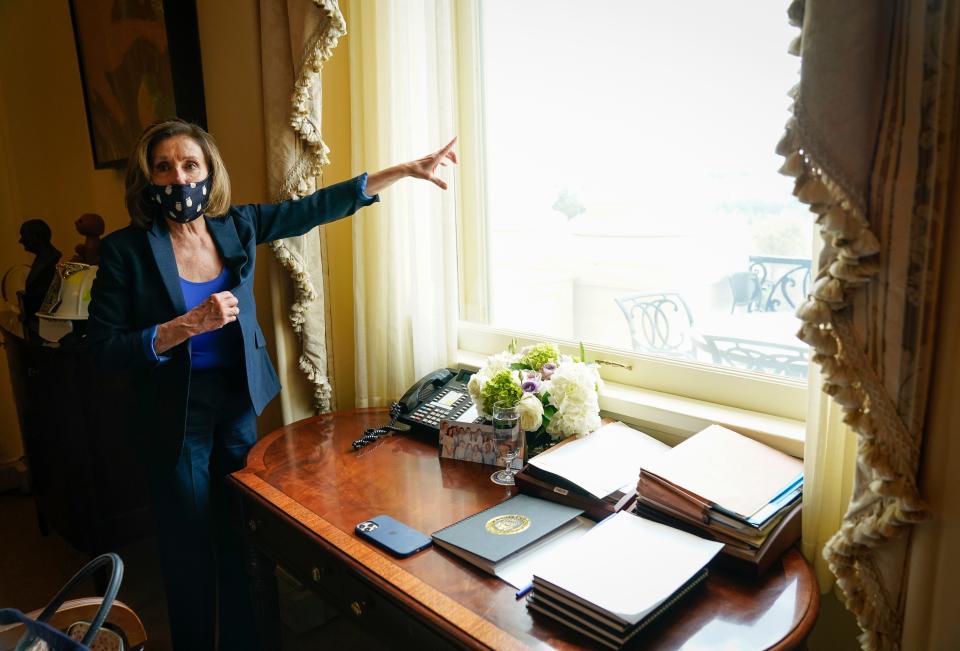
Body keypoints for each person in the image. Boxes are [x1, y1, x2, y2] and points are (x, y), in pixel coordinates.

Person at [86, 118, 457, 651]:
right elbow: (101, 351)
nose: (178, 177)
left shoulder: (235, 227)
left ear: (210, 172)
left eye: (190, 165)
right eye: (163, 167)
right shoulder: (126, 251)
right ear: (145, 180)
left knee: (242, 536)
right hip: (174, 414)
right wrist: (182, 326)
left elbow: (311, 210)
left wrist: (403, 171)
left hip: (236, 405)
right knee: (188, 547)